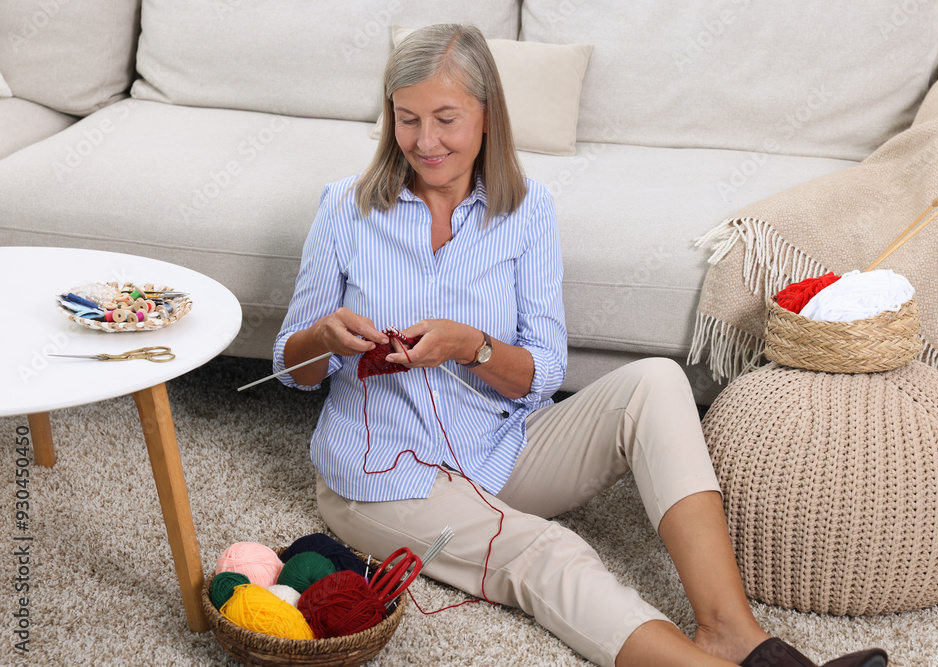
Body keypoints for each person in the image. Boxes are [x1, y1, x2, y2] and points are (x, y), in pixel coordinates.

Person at [273, 23, 888, 667]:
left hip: (497, 452)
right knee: (548, 553)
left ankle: (733, 630)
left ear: (488, 118)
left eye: (446, 119)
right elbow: (293, 369)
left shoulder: (527, 212)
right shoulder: (345, 208)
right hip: (381, 478)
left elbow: (540, 374)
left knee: (655, 382)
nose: (425, 142)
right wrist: (322, 337)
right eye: (407, 120)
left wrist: (472, 346)